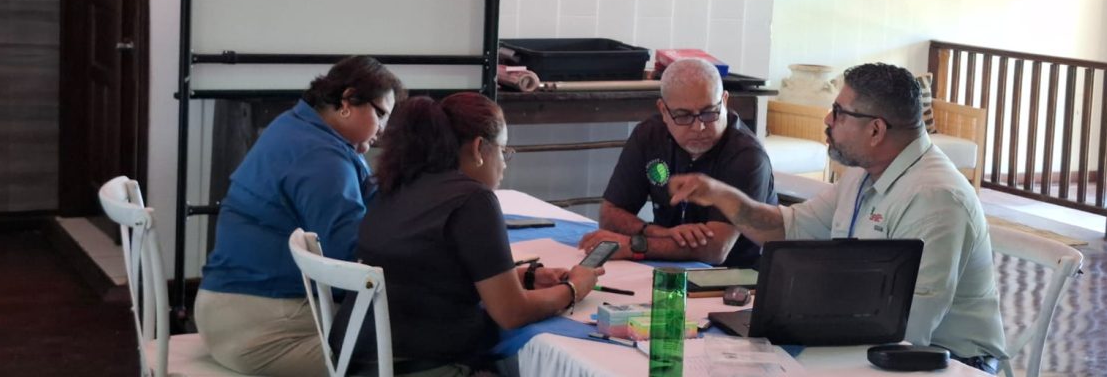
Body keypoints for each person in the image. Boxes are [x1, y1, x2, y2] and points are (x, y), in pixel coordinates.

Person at [668, 63, 1006, 373]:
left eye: (840, 113)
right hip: (865, 339)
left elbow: (909, 328)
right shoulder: (863, 174)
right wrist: (721, 195)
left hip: (947, 362)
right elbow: (786, 229)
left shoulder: (936, 199)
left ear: (876, 130)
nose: (828, 120)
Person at [336, 93, 602, 376]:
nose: (505, 163)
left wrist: (522, 277)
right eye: (502, 150)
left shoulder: (397, 184)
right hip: (423, 367)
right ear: (478, 148)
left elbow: (425, 274)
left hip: (358, 361)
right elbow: (511, 313)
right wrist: (573, 289)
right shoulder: (472, 200)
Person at [194, 55, 404, 377]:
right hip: (259, 322)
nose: (383, 129)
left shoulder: (299, 127)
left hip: (232, 308)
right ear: (347, 100)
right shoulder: (321, 155)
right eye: (381, 114)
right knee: (424, 353)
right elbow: (350, 257)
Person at [577, 58, 776, 267]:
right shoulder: (649, 136)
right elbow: (609, 216)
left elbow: (715, 249)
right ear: (663, 111)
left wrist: (636, 244)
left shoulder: (747, 156)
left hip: (734, 276)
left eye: (709, 113)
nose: (699, 127)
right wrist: (661, 233)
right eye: (683, 116)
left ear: (724, 101)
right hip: (668, 267)